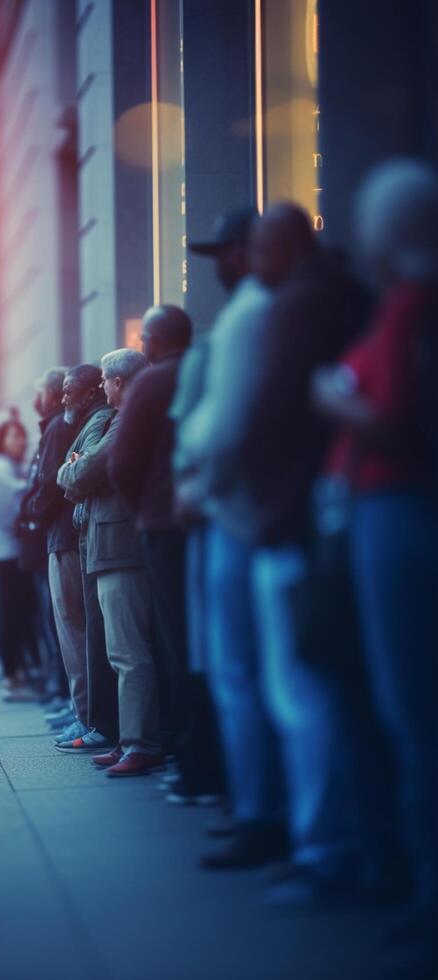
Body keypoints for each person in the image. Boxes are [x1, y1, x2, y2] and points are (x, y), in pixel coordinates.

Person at [210, 203, 373, 902]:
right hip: (325, 517)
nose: (246, 266)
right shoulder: (347, 297)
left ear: (278, 249)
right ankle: (338, 846)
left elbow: (259, 419)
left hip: (287, 522)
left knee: (299, 692)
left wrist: (240, 496)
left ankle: (324, 851)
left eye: (255, 252)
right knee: (324, 692)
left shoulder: (290, 309)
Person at [314, 159, 438, 931]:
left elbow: (394, 419)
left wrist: (332, 396)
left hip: (396, 517)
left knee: (409, 709)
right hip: (390, 515)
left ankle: (422, 897)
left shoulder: (409, 310)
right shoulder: (408, 308)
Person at [174, 212, 285, 852]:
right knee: (244, 671)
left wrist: (193, 470)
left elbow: (222, 427)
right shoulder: (259, 311)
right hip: (239, 510)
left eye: (225, 251)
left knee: (239, 670)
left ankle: (258, 813)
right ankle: (257, 807)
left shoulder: (252, 314)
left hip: (237, 510)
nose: (217, 263)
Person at [109, 304, 224, 804]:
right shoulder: (209, 370)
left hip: (163, 525)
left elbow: (122, 462)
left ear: (155, 342)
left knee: (178, 646)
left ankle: (195, 768)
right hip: (211, 520)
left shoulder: (151, 384)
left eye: (144, 340)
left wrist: (147, 507)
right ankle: (215, 764)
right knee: (208, 646)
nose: (142, 347)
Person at [59, 348, 164, 776]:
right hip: (110, 543)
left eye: (105, 379)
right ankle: (130, 739)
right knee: (121, 650)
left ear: (120, 382)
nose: (102, 387)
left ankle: (140, 742)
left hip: (121, 544)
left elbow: (82, 474)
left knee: (128, 651)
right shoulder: (119, 417)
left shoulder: (124, 420)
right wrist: (76, 469)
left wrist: (76, 468)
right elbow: (74, 472)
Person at [50, 365, 113, 749]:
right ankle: (91, 716)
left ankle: (96, 719)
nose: (62, 398)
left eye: (69, 390)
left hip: (91, 539)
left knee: (89, 631)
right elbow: (68, 473)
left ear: (91, 392)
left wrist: (72, 467)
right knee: (83, 628)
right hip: (84, 536)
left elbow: (72, 475)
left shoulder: (99, 420)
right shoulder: (84, 422)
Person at [17, 368, 71, 703]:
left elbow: (49, 484)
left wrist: (32, 512)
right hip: (42, 541)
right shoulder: (49, 428)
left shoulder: (55, 428)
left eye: (40, 393)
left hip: (51, 536)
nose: (37, 400)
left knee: (59, 622)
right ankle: (60, 690)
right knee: (52, 620)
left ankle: (65, 693)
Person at [0, 416, 40, 695]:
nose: (21, 441)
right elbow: (8, 513)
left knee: (17, 611)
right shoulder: (1, 469)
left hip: (4, 548)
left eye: (23, 435)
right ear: (2, 440)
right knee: (12, 612)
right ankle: (11, 676)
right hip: (6, 550)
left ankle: (17, 672)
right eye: (15, 436)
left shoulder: (5, 467)